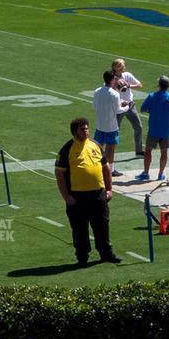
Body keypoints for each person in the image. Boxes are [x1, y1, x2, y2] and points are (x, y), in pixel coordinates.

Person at [54, 118, 119, 266]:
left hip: (98, 195)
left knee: (102, 226)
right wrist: (66, 197)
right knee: (79, 229)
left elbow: (106, 168)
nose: (86, 131)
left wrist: (109, 189)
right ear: (74, 132)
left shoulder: (95, 145)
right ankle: (82, 257)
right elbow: (59, 174)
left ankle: (106, 254)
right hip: (77, 197)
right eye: (82, 129)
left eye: (87, 129)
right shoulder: (67, 149)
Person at [138, 77, 169, 183]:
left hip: (154, 129)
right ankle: (160, 174)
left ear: (159, 85)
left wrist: (151, 110)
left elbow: (142, 109)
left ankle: (146, 173)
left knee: (148, 151)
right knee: (164, 152)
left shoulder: (152, 96)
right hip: (166, 130)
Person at [89, 68, 125, 173]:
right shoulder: (114, 94)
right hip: (111, 126)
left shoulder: (97, 91)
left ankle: (97, 167)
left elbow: (95, 106)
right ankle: (110, 170)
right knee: (110, 150)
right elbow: (118, 110)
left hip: (100, 125)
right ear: (112, 79)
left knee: (98, 149)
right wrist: (127, 106)